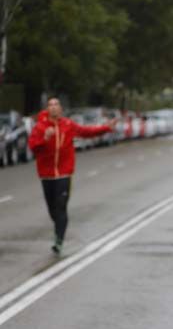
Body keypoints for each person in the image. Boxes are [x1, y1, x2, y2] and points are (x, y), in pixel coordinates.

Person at [27, 96, 112, 254]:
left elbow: (86, 132)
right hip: (47, 175)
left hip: (64, 174)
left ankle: (58, 240)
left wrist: (106, 128)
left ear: (60, 109)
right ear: (47, 109)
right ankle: (59, 228)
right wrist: (45, 138)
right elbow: (33, 147)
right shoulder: (40, 127)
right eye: (50, 105)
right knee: (52, 210)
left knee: (61, 207)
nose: (53, 107)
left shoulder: (68, 125)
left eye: (56, 104)